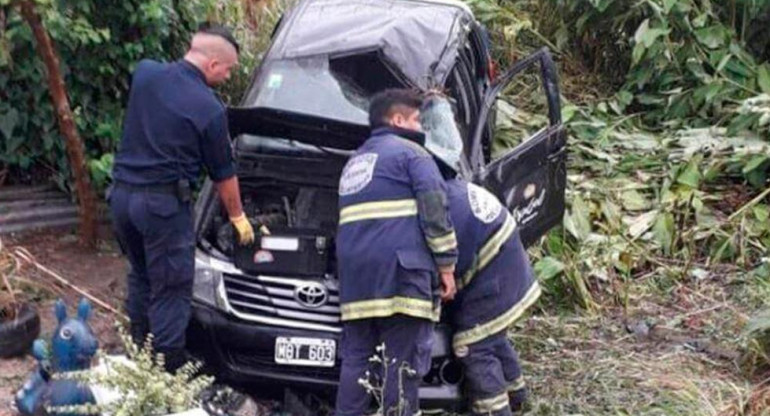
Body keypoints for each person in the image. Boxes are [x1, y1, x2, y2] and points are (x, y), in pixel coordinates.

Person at [108, 24, 254, 372]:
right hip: (161, 207)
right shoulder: (209, 108)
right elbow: (224, 174)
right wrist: (238, 218)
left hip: (121, 198)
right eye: (229, 69)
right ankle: (169, 366)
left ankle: (139, 353)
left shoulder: (145, 74)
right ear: (213, 65)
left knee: (142, 275)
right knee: (172, 286)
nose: (228, 74)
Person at [335, 89, 459, 416]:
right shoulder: (413, 155)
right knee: (403, 364)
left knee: (357, 362)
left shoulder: (354, 161)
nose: (422, 128)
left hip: (356, 281)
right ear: (399, 120)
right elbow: (436, 211)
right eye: (419, 120)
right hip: (402, 277)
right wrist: (447, 268)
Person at [421, 94, 541, 415]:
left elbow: (441, 275)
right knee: (492, 336)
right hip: (508, 267)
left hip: (497, 276)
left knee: (472, 344)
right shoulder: (449, 185)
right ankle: (519, 398)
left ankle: (494, 409)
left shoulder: (435, 203)